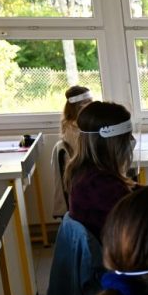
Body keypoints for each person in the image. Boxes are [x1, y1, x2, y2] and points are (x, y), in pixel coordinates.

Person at [64, 101, 137, 238]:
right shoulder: (99, 186)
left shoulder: (85, 173)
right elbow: (137, 220)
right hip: (113, 254)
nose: (132, 140)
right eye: (128, 136)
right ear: (114, 144)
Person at [52, 85, 92, 217]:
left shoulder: (70, 124)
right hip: (85, 181)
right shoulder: (76, 130)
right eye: (90, 103)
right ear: (81, 107)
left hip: (82, 177)